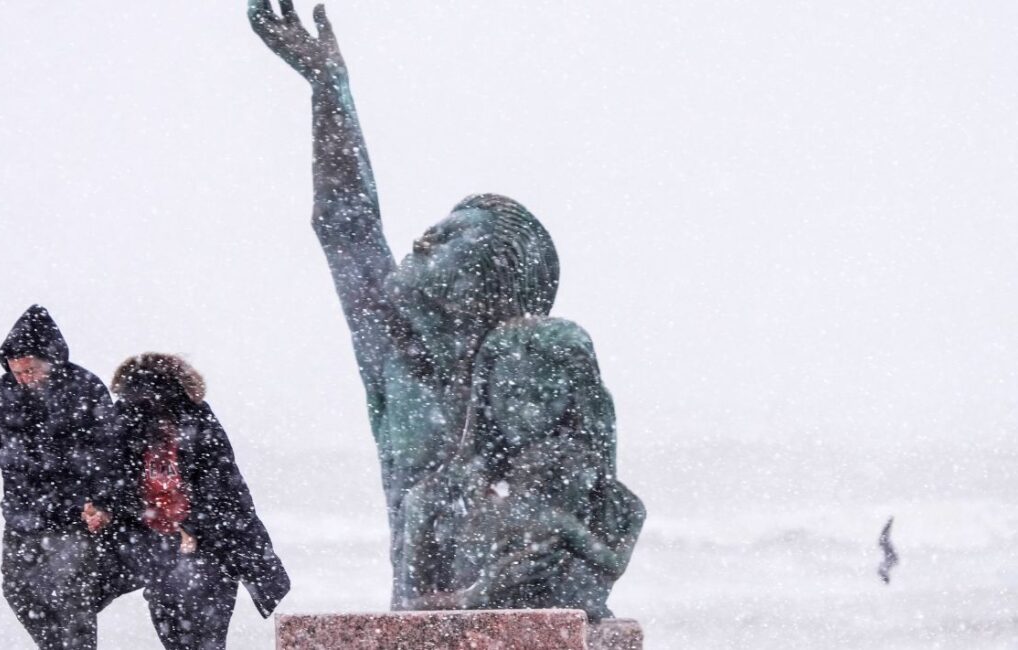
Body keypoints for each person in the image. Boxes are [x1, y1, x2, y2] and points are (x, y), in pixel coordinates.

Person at [248, 0, 645, 615]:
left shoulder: (535, 365)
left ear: (497, 279)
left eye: (454, 236)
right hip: (424, 618)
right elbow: (344, 221)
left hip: (528, 610)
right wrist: (329, 87)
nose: (422, 239)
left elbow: (592, 493)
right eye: (436, 226)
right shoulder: (396, 353)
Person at [83, 353, 289, 650]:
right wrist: (102, 508)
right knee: (177, 629)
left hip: (209, 546)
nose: (151, 413)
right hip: (157, 547)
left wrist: (192, 527)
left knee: (204, 633)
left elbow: (222, 489)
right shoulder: (127, 421)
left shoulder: (198, 421)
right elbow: (110, 478)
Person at [0, 304, 113, 649]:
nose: (23, 378)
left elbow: (110, 452)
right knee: (17, 592)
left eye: (30, 370)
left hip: (73, 517)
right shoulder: (4, 390)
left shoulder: (85, 387)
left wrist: (101, 501)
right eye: (17, 371)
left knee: (73, 600)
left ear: (50, 360)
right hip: (22, 515)